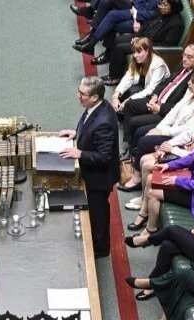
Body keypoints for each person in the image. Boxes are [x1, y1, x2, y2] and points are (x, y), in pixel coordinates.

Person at [57, 76, 119, 258]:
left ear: (94, 97)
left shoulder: (104, 121)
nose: (78, 96)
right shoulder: (96, 107)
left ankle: (100, 250)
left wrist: (81, 153)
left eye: (82, 94)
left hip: (99, 178)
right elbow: (88, 126)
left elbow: (105, 156)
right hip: (92, 171)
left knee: (98, 213)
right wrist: (77, 134)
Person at [141, 118, 194, 234]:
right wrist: (169, 165)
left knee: (153, 193)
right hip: (191, 183)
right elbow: (191, 158)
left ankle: (150, 230)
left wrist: (177, 181)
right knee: (152, 177)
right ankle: (144, 214)